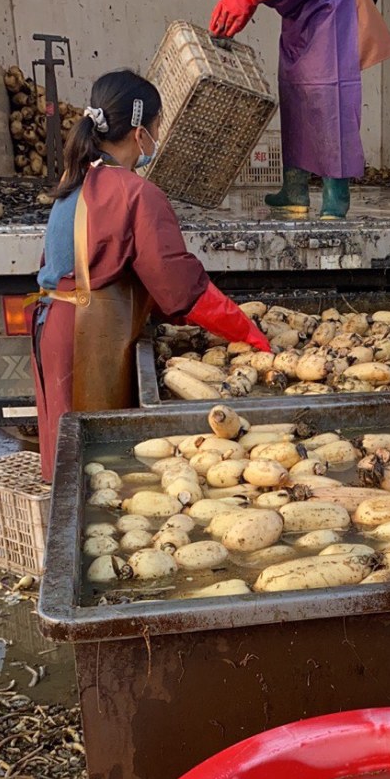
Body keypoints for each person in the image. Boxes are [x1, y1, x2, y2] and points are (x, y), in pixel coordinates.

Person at [32, 70, 269, 481]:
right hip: (87, 338)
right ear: (140, 132)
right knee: (99, 468)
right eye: (157, 128)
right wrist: (246, 332)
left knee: (66, 458)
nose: (156, 138)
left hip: (54, 325)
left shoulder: (77, 178)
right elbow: (179, 286)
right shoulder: (134, 192)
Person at [198, 0, 390, 220]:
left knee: (328, 92)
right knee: (294, 90)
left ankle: (336, 194)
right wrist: (239, 2)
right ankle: (295, 189)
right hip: (297, 2)